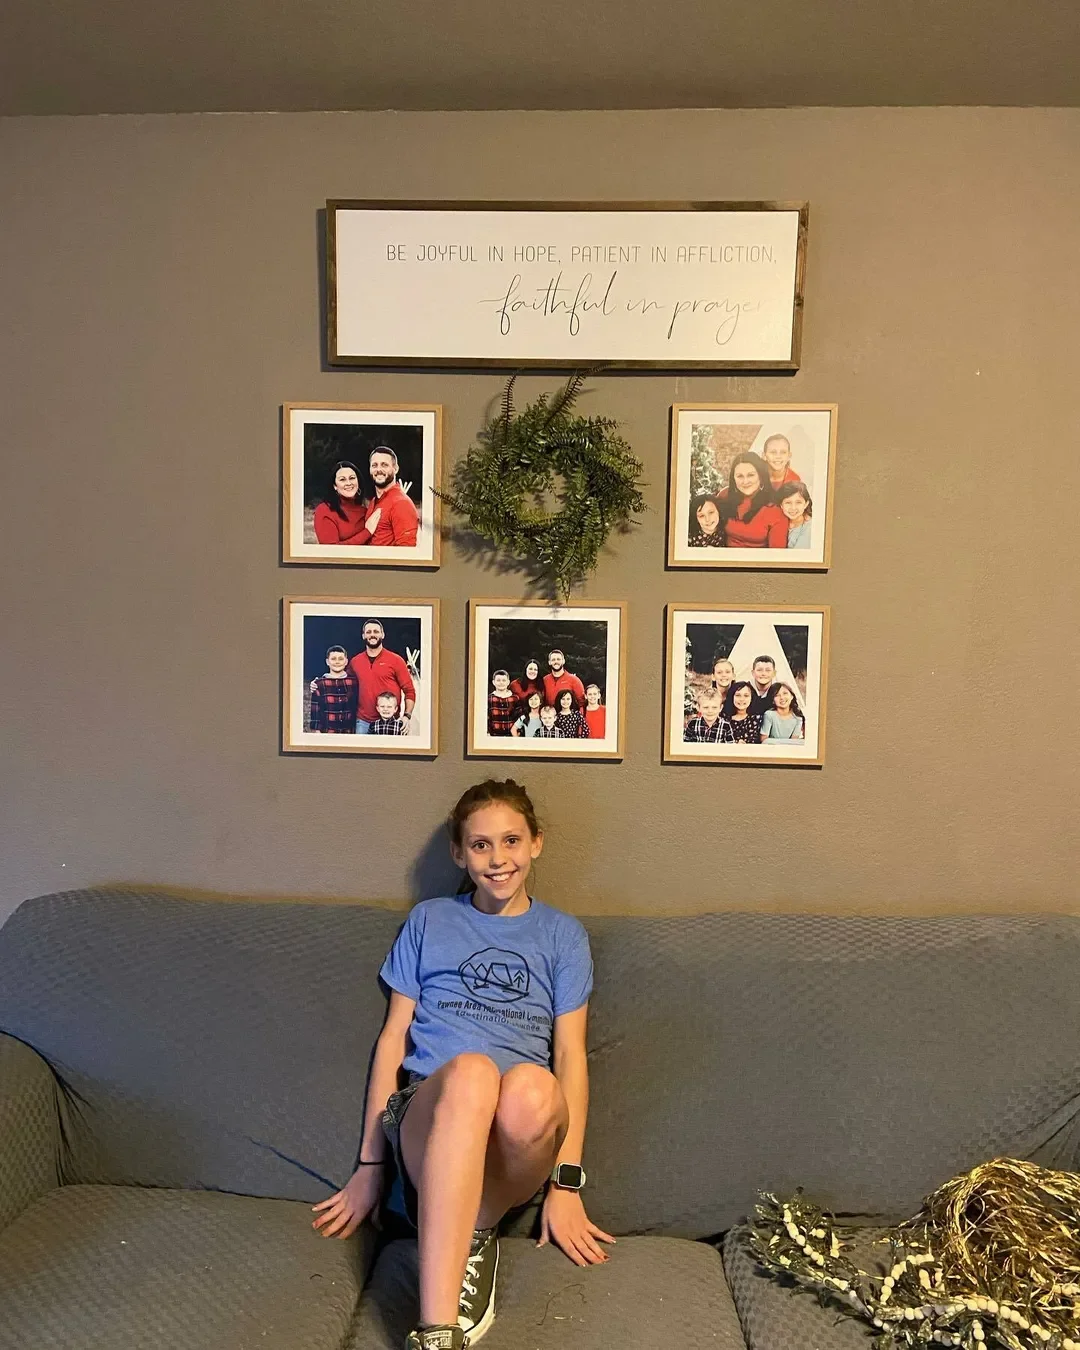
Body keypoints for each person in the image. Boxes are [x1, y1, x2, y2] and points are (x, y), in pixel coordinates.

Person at [310, 780, 613, 1350]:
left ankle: (472, 1230)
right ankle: (436, 1331)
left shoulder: (563, 936)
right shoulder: (430, 921)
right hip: (432, 1116)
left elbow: (572, 1056)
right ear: (459, 853)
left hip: (516, 1137)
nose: (498, 859)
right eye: (479, 845)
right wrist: (370, 1166)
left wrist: (566, 1183)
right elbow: (393, 1038)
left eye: (511, 841)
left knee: (530, 1087)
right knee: (472, 1073)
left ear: (536, 844)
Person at [347, 620, 416, 734]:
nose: (372, 634)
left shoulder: (396, 660)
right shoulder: (355, 661)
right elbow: (343, 683)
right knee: (362, 752)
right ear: (363, 635)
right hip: (363, 722)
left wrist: (407, 716)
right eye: (368, 632)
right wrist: (318, 683)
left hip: (391, 721)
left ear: (382, 634)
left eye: (376, 631)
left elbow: (409, 690)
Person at [717, 452, 787, 549]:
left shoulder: (775, 508)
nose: (745, 481)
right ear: (733, 478)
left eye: (751, 475)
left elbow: (776, 555)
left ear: (761, 476)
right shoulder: (724, 495)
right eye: (740, 476)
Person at [313, 461, 369, 546]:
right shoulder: (324, 511)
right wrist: (367, 532)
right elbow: (332, 551)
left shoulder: (365, 510)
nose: (348, 483)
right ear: (335, 486)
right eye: (342, 479)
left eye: (352, 478)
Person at [308, 645, 359, 733]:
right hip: (328, 731)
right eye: (333, 659)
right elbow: (316, 710)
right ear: (327, 661)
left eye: (340, 659)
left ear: (346, 661)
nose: (337, 662)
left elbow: (356, 706)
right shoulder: (319, 684)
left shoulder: (353, 682)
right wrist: (317, 731)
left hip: (348, 731)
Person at [776, 481, 813, 550]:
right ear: (781, 505)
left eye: (798, 502)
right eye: (788, 502)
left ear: (806, 504)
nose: (793, 508)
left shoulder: (809, 527)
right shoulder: (779, 522)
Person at [487, 670, 517, 737]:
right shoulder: (489, 699)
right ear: (493, 682)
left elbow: (519, 718)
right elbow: (486, 718)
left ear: (508, 682)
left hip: (511, 736)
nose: (501, 683)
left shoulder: (515, 698)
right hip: (494, 736)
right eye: (498, 680)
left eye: (504, 680)